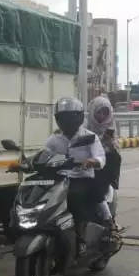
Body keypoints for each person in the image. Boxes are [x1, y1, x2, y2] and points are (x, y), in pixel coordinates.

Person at [44, 97, 106, 229]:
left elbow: (100, 157)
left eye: (69, 117)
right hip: (60, 179)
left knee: (79, 194)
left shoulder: (89, 137)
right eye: (62, 117)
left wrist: (92, 161)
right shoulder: (54, 139)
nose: (66, 121)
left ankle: (102, 221)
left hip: (81, 178)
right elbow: (44, 154)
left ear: (79, 117)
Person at [86, 95, 121, 226]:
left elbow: (115, 155)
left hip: (102, 169)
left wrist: (109, 143)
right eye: (98, 112)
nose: (101, 116)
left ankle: (108, 220)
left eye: (104, 113)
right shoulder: (84, 127)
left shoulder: (110, 128)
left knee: (96, 187)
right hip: (83, 166)